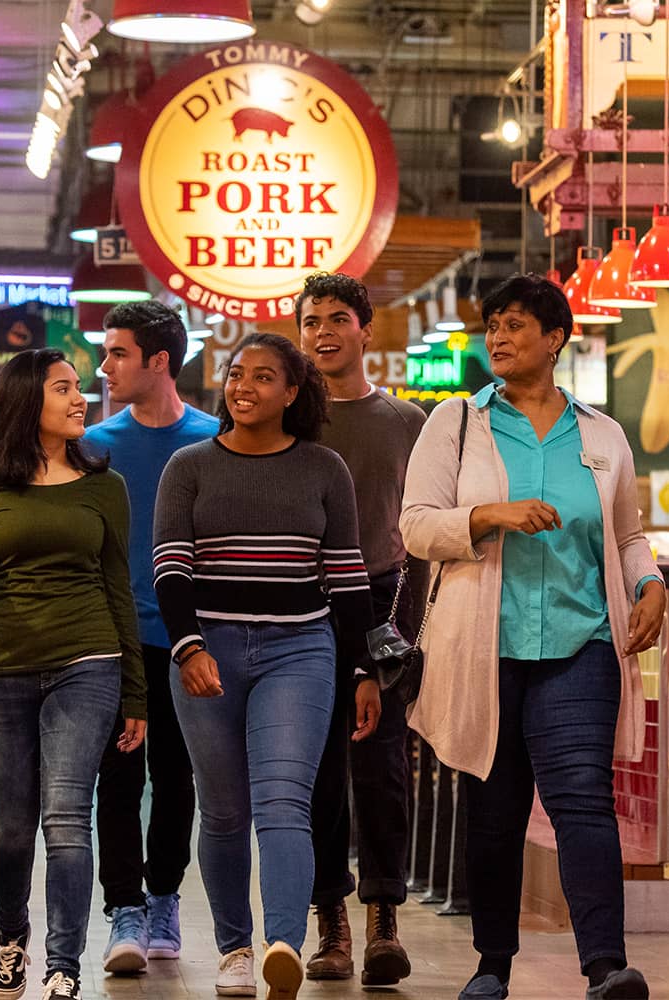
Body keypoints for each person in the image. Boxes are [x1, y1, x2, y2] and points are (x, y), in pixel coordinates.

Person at [399, 274, 668, 1000]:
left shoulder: (603, 434)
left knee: (583, 798)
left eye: (515, 324)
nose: (498, 336)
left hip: (581, 645)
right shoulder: (456, 423)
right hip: (483, 650)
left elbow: (629, 535)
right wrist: (489, 515)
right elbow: (417, 525)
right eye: (493, 325)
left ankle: (607, 967)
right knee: (495, 809)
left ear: (555, 339)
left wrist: (651, 583)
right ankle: (492, 966)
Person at [153, 332, 379, 1000]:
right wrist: (188, 647)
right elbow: (170, 568)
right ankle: (234, 950)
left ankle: (283, 943)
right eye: (234, 373)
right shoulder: (189, 466)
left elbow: (347, 578)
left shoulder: (323, 469)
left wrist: (364, 670)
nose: (243, 386)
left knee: (285, 802)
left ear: (292, 391)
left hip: (300, 651)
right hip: (208, 651)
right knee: (222, 812)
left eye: (262, 376)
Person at [0, 348, 146, 1000]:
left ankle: (65, 964)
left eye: (79, 386)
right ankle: (12, 935)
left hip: (86, 662)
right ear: (28, 399)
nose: (81, 397)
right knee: (9, 825)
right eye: (65, 388)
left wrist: (135, 691)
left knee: (66, 817)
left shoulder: (104, 486)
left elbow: (119, 586)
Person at [295, 272, 426, 986]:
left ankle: (382, 916)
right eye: (310, 320)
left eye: (337, 318)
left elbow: (425, 536)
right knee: (314, 774)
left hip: (382, 603)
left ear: (365, 330)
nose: (322, 331)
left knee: (380, 772)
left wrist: (407, 633)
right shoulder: (288, 422)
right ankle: (331, 921)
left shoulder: (407, 422)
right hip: (301, 604)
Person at [80, 301, 217, 975]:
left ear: (159, 361)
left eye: (117, 354)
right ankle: (124, 909)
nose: (104, 368)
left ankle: (163, 897)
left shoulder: (213, 441)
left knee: (177, 777)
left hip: (189, 639)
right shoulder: (95, 445)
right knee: (117, 776)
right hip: (113, 639)